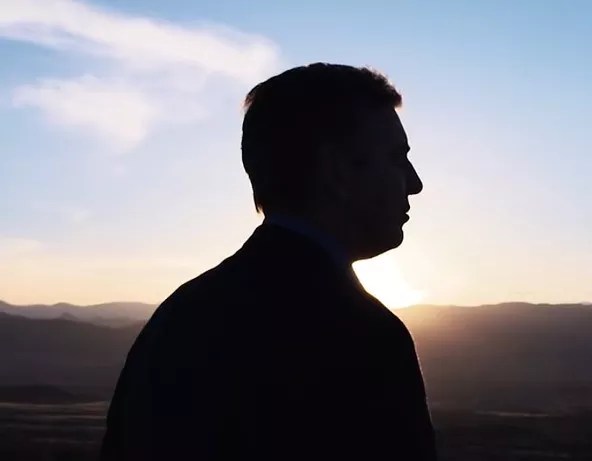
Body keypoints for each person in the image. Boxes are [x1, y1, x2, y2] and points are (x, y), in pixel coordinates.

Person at [100, 63, 436, 461]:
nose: (415, 183)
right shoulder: (365, 336)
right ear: (336, 172)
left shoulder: (179, 315)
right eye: (397, 158)